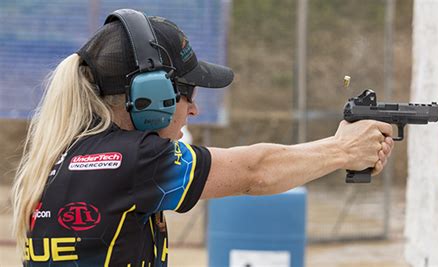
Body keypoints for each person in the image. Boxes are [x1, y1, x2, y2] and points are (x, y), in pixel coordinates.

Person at [11, 9, 394, 267]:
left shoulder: (66, 154)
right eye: (188, 94)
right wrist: (342, 149)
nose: (193, 110)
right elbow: (254, 172)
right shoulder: (137, 161)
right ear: (151, 96)